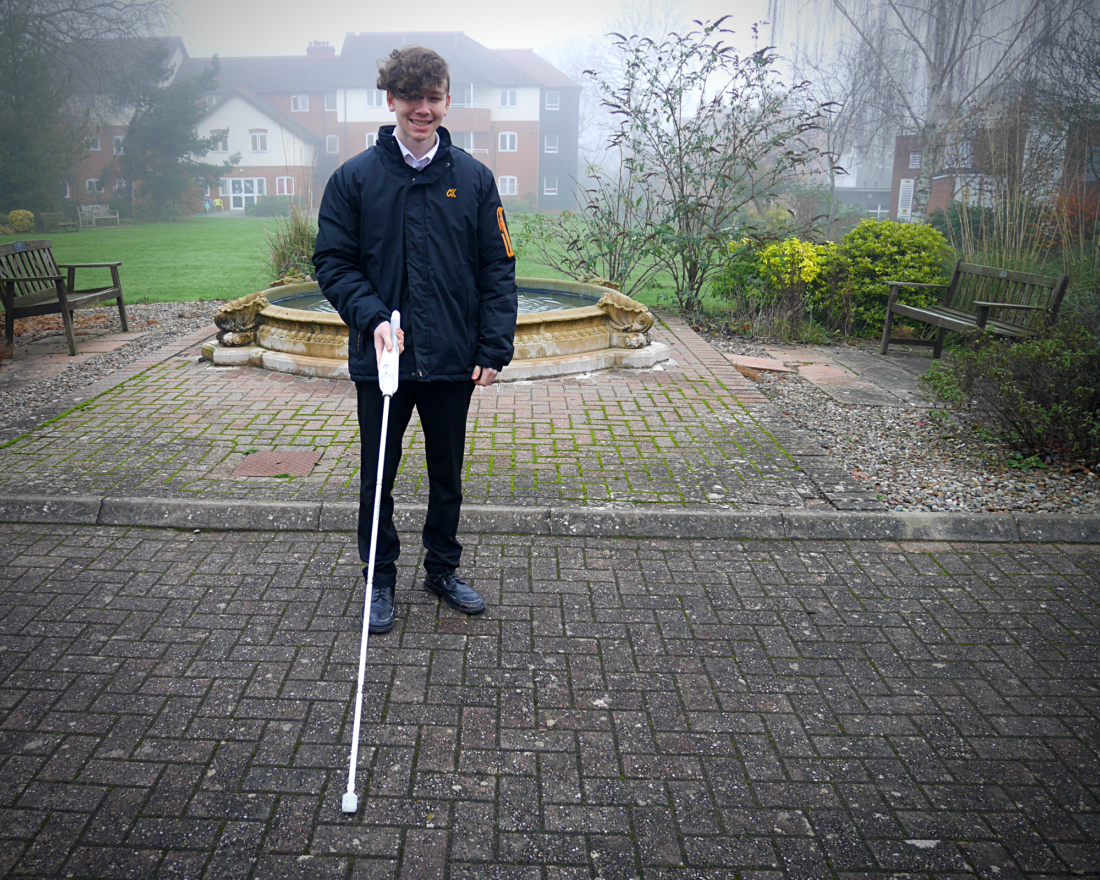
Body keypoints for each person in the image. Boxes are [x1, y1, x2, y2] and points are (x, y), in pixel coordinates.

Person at [313, 46, 518, 634]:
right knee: (380, 472)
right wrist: (374, 317)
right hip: (383, 362)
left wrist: (493, 348)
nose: (422, 109)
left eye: (433, 98)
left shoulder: (475, 180)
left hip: (454, 360)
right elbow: (333, 262)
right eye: (412, 98)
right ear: (391, 101)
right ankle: (379, 578)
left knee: (446, 473)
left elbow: (498, 268)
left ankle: (442, 569)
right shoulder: (355, 179)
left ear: (447, 102)